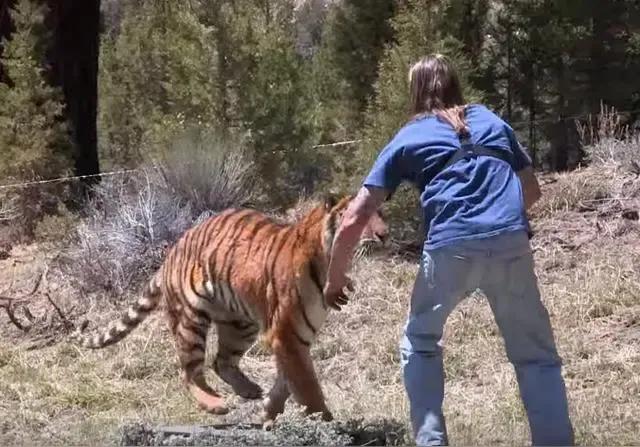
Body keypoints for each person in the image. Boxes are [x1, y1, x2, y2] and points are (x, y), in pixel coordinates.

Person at [323, 54, 574, 446]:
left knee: (420, 342)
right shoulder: (492, 120)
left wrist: (334, 278)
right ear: (456, 85)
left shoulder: (410, 136)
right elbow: (531, 190)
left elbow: (356, 216)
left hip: (449, 248)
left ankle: (431, 441)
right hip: (510, 242)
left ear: (416, 91)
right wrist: (494, 224)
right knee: (536, 356)